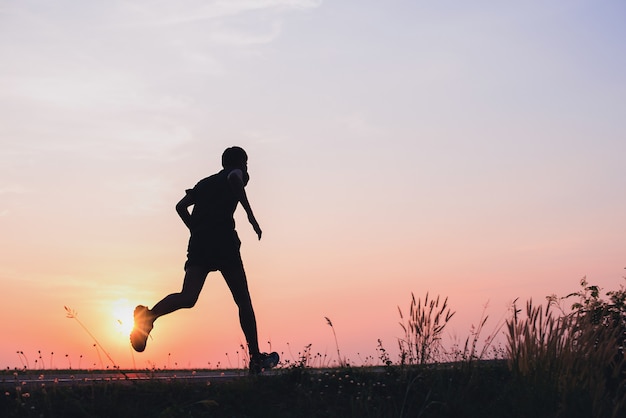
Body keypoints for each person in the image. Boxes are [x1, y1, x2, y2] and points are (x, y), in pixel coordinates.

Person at [130, 146, 278, 374]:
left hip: (200, 244)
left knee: (188, 297)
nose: (247, 168)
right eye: (246, 163)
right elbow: (235, 178)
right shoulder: (238, 173)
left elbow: (180, 207)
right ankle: (256, 358)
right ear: (240, 162)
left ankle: (148, 316)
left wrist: (195, 230)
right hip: (225, 245)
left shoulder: (204, 183)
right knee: (243, 301)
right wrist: (250, 216)